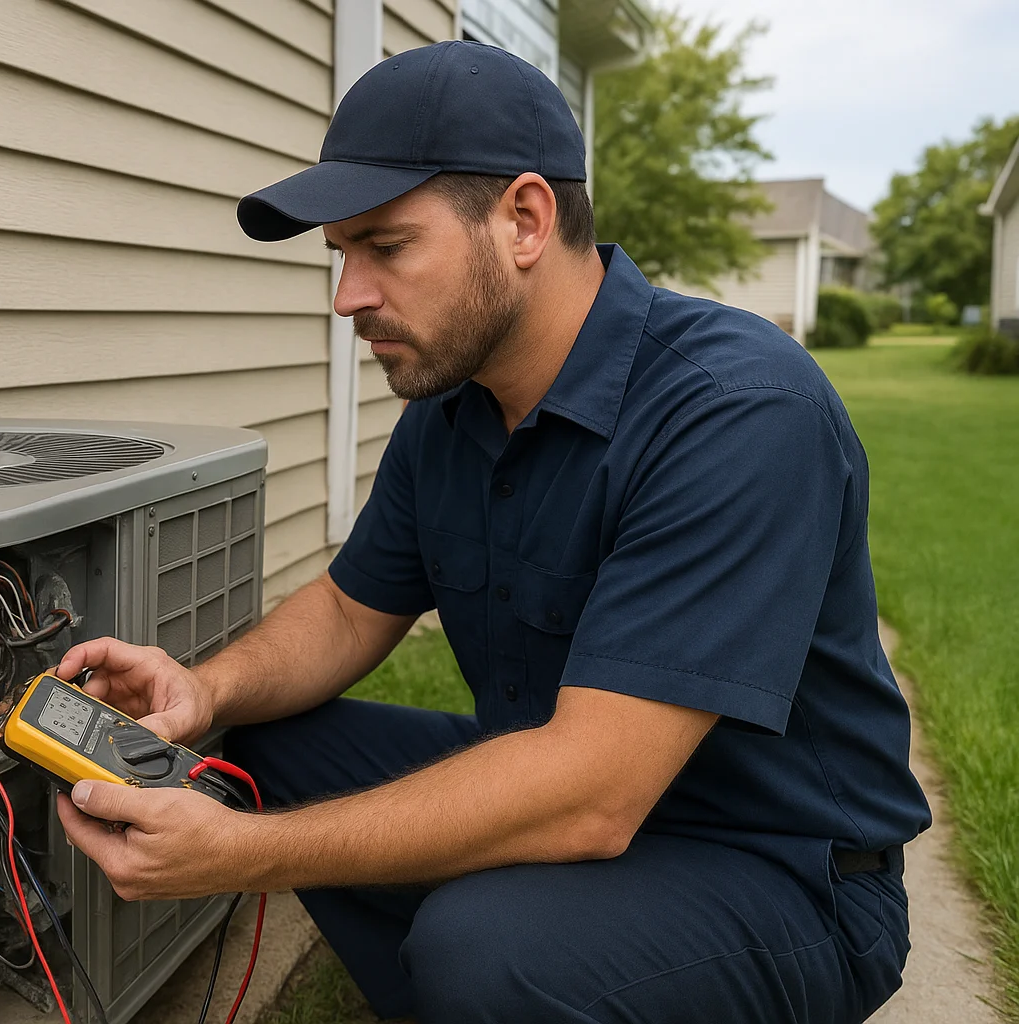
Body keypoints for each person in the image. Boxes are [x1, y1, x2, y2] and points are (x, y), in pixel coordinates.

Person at [53, 40, 930, 1024]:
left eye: (385, 246)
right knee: (254, 742)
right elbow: (350, 608)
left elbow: (592, 795)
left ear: (523, 218)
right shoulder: (455, 411)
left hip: (779, 867)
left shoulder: (736, 408)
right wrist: (202, 687)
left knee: (488, 948)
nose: (346, 298)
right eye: (341, 255)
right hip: (581, 789)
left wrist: (246, 854)